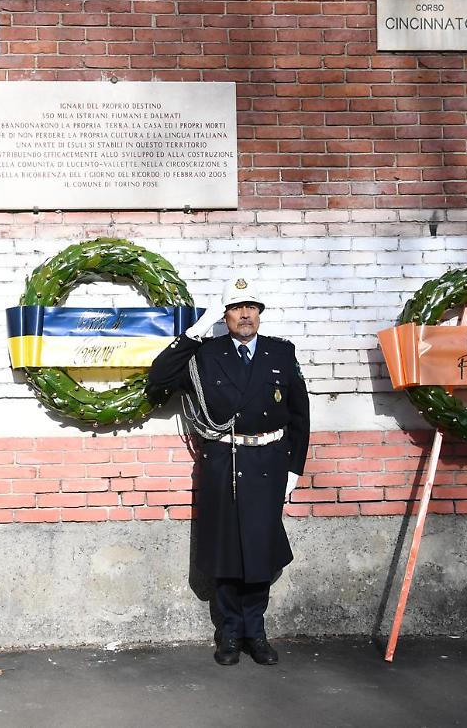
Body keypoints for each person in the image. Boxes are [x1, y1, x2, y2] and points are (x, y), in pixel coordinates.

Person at [148, 275, 310, 667]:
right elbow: (158, 379)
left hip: (268, 464)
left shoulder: (280, 353)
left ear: (260, 314)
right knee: (226, 550)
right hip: (225, 461)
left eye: (251, 307)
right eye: (237, 308)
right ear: (225, 315)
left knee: (259, 551)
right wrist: (192, 334)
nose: (245, 315)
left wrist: (295, 470)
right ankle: (229, 633)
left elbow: (300, 415)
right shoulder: (207, 354)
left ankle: (256, 631)